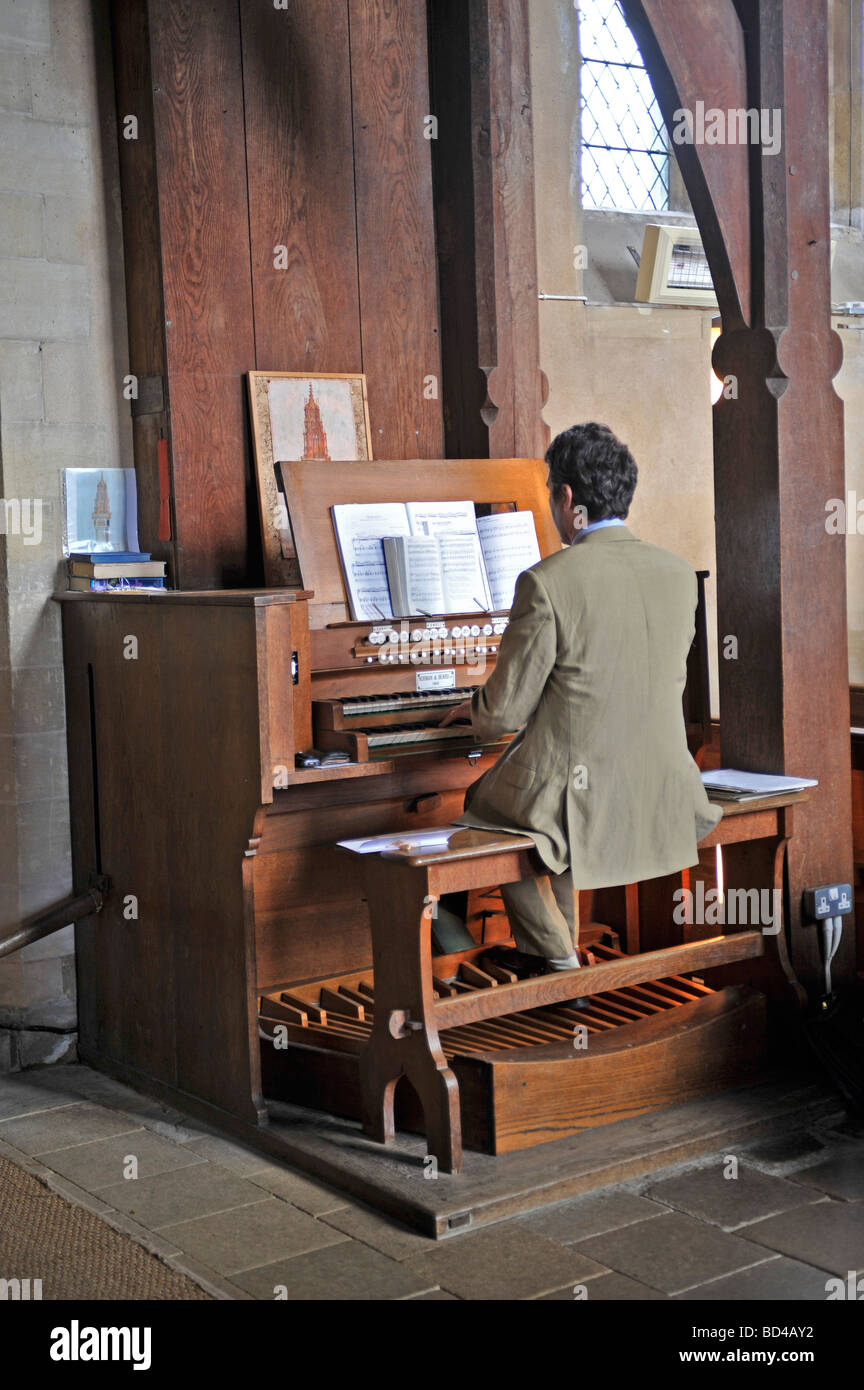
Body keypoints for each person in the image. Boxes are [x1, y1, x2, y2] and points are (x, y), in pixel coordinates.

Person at [439, 422, 722, 976]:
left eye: (549, 494)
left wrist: (468, 710)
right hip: (665, 779)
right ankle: (555, 955)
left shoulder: (547, 581)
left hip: (583, 788)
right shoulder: (677, 573)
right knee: (542, 807)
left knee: (485, 807)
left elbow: (501, 714)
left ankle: (555, 957)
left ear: (568, 498)